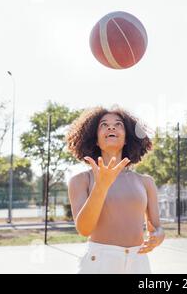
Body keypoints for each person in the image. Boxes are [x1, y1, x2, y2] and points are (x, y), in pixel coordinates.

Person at [66, 106, 164, 274]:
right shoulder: (81, 181)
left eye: (118, 124)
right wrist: (101, 187)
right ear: (95, 139)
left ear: (127, 138)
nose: (111, 127)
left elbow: (157, 228)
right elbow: (84, 229)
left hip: (138, 261)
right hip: (99, 262)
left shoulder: (146, 182)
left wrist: (158, 237)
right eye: (104, 125)